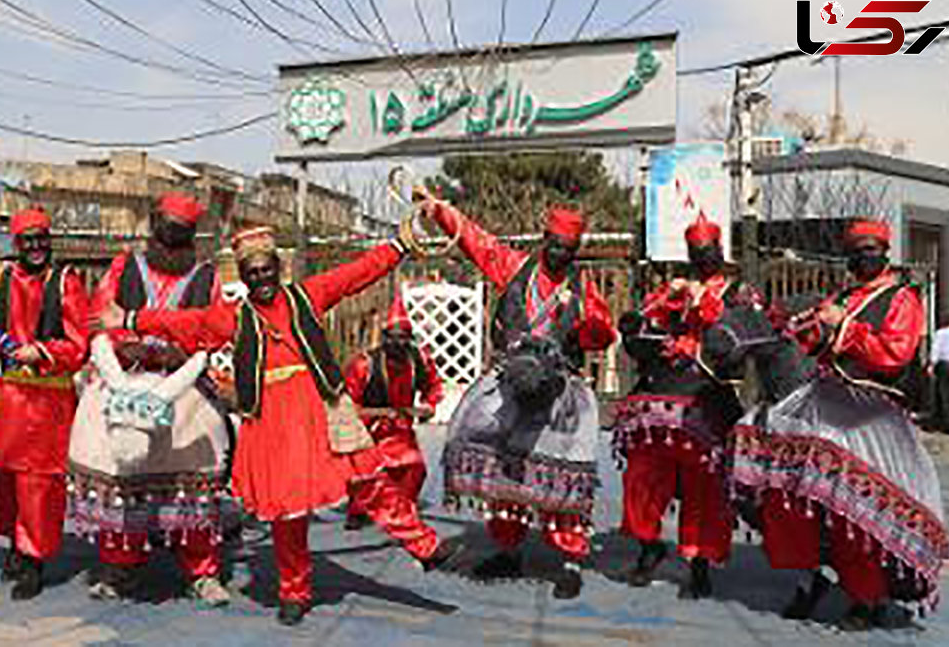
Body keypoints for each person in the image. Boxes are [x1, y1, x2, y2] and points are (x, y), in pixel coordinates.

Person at [100, 226, 461, 626]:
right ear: (244, 276)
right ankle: (294, 592)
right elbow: (190, 323)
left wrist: (398, 246)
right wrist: (133, 317)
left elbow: (358, 273)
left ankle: (426, 547)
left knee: (368, 479)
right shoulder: (236, 317)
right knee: (287, 514)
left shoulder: (307, 296)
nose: (261, 278)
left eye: (266, 269)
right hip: (272, 419)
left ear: (279, 268)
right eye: (251, 273)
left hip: (322, 406)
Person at [731, 219, 949, 630]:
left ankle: (867, 595)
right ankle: (807, 575)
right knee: (792, 489)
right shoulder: (843, 295)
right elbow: (812, 340)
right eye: (857, 249)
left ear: (884, 252)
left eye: (871, 248)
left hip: (872, 413)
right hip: (825, 401)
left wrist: (843, 327)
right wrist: (781, 321)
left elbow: (895, 352)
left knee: (857, 507)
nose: (864, 255)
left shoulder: (902, 297)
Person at [423, 197, 616, 600]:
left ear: (576, 250)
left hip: (560, 387)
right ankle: (508, 548)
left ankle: (569, 559)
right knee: (502, 466)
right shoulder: (514, 267)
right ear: (545, 239)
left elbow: (602, 335)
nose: (560, 253)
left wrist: (587, 322)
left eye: (569, 248)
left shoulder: (583, 287)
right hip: (512, 380)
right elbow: (474, 240)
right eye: (555, 244)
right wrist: (440, 211)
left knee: (564, 470)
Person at [72, 191, 233, 605]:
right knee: (118, 472)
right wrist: (126, 346)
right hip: (123, 377)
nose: (171, 234)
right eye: (166, 225)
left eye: (181, 230)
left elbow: (213, 330)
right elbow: (98, 315)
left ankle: (202, 571)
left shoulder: (206, 276)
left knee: (196, 472)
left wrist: (177, 352)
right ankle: (120, 567)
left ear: (191, 234)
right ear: (154, 225)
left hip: (181, 383)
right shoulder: (124, 266)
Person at [615, 213, 759, 599]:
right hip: (661, 390)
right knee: (642, 471)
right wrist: (641, 326)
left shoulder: (739, 291)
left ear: (721, 251)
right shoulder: (674, 287)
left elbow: (744, 337)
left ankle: (699, 562)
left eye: (708, 250)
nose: (702, 257)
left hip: (708, 395)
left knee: (704, 484)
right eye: (696, 252)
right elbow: (645, 324)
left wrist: (703, 311)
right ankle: (648, 544)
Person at [0, 207, 89, 601]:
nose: (36, 246)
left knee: (40, 483)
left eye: (42, 238)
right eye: (28, 240)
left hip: (49, 397)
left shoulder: (66, 282)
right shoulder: (4, 281)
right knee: (9, 480)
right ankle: (15, 548)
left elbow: (78, 345)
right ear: (16, 245)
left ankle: (35, 559)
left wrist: (39, 351)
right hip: (9, 395)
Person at [342, 289, 443, 531]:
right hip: (367, 430)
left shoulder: (419, 360)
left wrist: (429, 406)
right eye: (392, 337)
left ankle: (402, 508)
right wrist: (378, 414)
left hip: (401, 429)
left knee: (414, 466)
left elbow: (433, 386)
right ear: (383, 337)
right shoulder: (364, 364)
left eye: (403, 337)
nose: (397, 342)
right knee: (367, 470)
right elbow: (347, 405)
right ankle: (359, 508)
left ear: (410, 338)